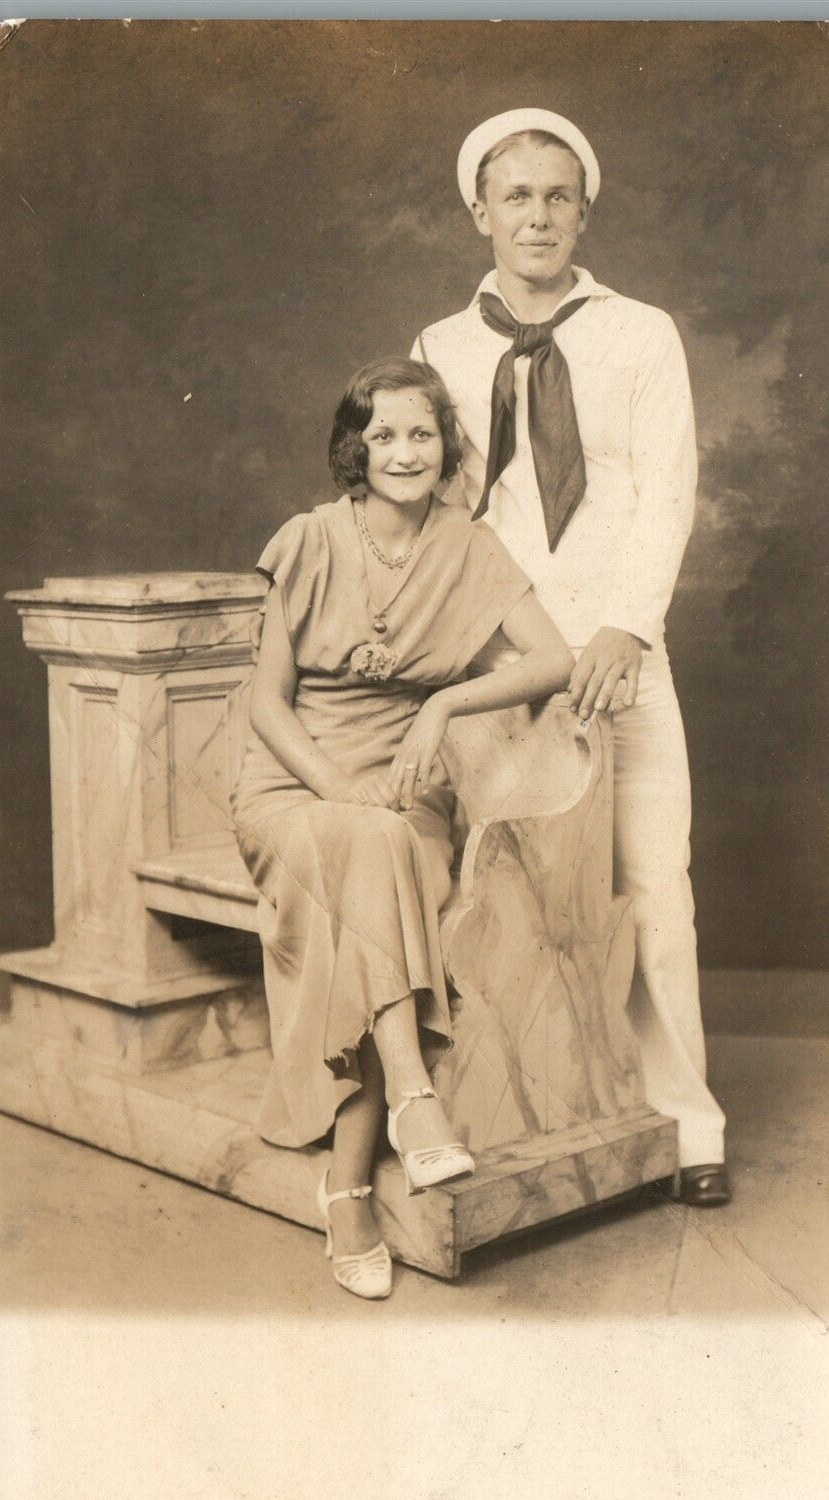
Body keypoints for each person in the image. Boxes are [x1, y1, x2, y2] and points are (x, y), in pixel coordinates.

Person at [413, 109, 730, 1206]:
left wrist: (625, 629)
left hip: (621, 652)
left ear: (583, 211)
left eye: (557, 196)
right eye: (516, 197)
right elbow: (445, 509)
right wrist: (488, 652)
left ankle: (689, 1128)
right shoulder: (442, 351)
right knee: (511, 891)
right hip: (508, 662)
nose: (537, 216)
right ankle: (538, 1115)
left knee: (653, 882)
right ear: (479, 214)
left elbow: (668, 492)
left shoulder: (642, 334)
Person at [231, 357, 573, 1298]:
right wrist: (339, 783)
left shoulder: (467, 546)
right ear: (356, 447)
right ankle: (408, 1110)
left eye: (423, 433)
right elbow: (266, 704)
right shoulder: (308, 539)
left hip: (406, 790)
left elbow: (553, 659)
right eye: (384, 434)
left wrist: (443, 707)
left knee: (384, 857)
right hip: (294, 786)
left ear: (444, 445)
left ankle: (346, 1188)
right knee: (374, 853)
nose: (405, 451)